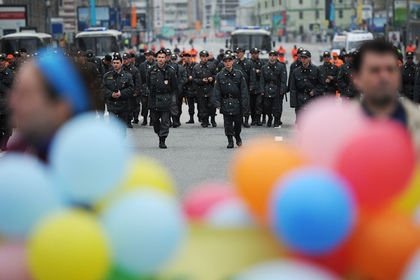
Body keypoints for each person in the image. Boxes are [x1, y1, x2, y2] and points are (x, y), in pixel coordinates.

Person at [8, 51, 92, 161]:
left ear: (61, 108)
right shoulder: (16, 156)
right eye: (15, 91)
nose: (12, 102)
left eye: (25, 94)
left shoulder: (85, 161)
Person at [354, 39, 420, 151]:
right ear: (357, 78)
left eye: (390, 69)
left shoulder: (416, 121)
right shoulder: (343, 126)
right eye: (374, 70)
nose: (384, 76)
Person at [214, 53, 249, 148]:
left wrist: (244, 102)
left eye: (229, 61)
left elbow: (243, 89)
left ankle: (237, 135)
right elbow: (217, 90)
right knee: (228, 123)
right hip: (225, 102)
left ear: (232, 61)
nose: (228, 63)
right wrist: (217, 103)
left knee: (238, 122)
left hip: (237, 102)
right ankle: (230, 140)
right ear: (223, 63)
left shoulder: (238, 74)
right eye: (225, 61)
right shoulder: (220, 75)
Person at [146, 50, 177, 148]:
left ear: (165, 58)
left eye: (163, 57)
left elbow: (174, 86)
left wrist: (166, 94)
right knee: (154, 120)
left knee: (165, 121)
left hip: (165, 98)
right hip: (154, 98)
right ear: (156, 58)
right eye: (159, 57)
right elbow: (148, 84)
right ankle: (158, 133)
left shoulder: (170, 70)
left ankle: (162, 139)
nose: (161, 59)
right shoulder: (151, 70)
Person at [102, 53, 134, 135]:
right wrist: (111, 94)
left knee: (122, 125)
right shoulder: (107, 76)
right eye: (114, 63)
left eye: (117, 63)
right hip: (112, 104)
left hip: (123, 104)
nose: (115, 65)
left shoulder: (127, 76)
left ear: (121, 63)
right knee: (112, 125)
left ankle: (122, 141)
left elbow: (131, 89)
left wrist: (122, 93)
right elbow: (103, 88)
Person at [290, 50, 325, 118]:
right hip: (300, 98)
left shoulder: (316, 70)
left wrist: (315, 91)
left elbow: (322, 85)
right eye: (302, 57)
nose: (304, 59)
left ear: (309, 58)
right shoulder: (296, 72)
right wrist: (293, 103)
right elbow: (293, 88)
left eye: (305, 58)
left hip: (312, 99)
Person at [260, 51, 287, 127]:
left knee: (276, 106)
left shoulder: (280, 66)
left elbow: (283, 79)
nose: (272, 57)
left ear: (277, 57)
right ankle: (269, 117)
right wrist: (262, 90)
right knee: (266, 105)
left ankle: (276, 120)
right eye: (271, 55)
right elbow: (262, 80)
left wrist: (282, 90)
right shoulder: (264, 67)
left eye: (274, 55)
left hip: (276, 88)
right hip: (267, 88)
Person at [193, 50, 217, 127]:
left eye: (206, 56)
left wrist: (212, 78)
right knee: (202, 106)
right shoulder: (196, 67)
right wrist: (201, 81)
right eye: (203, 57)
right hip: (201, 89)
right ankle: (205, 120)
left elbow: (216, 75)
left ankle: (212, 119)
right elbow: (194, 79)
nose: (205, 58)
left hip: (210, 88)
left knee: (212, 104)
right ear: (200, 57)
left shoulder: (212, 65)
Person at [75, 50, 104, 117]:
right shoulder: (76, 67)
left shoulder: (91, 66)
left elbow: (99, 77)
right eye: (77, 57)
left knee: (97, 109)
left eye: (79, 57)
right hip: (82, 93)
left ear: (83, 57)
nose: (78, 58)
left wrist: (93, 84)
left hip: (93, 92)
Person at [233, 47, 256, 128]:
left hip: (246, 86)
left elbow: (252, 76)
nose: (237, 54)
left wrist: (251, 86)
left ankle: (246, 120)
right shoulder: (235, 63)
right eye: (236, 53)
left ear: (242, 53)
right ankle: (240, 120)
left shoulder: (249, 63)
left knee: (246, 104)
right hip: (237, 87)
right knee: (237, 104)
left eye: (238, 52)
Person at [122, 53, 141, 127]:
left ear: (129, 59)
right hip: (123, 92)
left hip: (131, 92)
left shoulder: (134, 69)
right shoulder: (121, 68)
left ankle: (129, 121)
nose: (125, 60)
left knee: (130, 107)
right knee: (123, 107)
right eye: (124, 59)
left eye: (126, 59)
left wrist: (136, 91)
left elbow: (138, 81)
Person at [0, 53, 14, 150]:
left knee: (7, 128)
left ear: (5, 62)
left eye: (2, 61)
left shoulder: (10, 74)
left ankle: (4, 143)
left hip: (7, 104)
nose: (0, 63)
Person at [139, 50, 156, 126]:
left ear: (152, 56)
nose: (148, 57)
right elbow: (139, 78)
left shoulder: (156, 65)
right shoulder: (142, 65)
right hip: (144, 87)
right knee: (144, 104)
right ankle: (145, 118)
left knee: (152, 104)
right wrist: (140, 87)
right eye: (146, 55)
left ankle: (152, 119)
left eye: (149, 55)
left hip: (153, 87)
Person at [171, 53, 187, 126]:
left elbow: (184, 78)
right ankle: (173, 120)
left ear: (177, 60)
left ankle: (177, 119)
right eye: (172, 60)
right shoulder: (168, 67)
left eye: (175, 59)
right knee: (172, 105)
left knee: (178, 105)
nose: (174, 61)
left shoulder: (181, 68)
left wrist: (179, 86)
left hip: (179, 90)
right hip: (172, 90)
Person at [249, 47, 264, 126]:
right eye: (255, 53)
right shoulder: (249, 62)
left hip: (258, 86)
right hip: (252, 86)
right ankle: (253, 119)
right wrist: (255, 71)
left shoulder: (261, 63)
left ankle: (258, 119)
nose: (256, 55)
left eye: (257, 53)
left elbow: (263, 73)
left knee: (259, 103)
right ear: (252, 54)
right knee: (252, 103)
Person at [182, 53, 198, 123]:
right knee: (190, 104)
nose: (183, 60)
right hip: (188, 87)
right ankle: (191, 118)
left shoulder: (196, 65)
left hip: (196, 86)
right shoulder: (184, 67)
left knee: (200, 104)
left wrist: (193, 77)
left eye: (184, 58)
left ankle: (201, 117)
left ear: (189, 58)